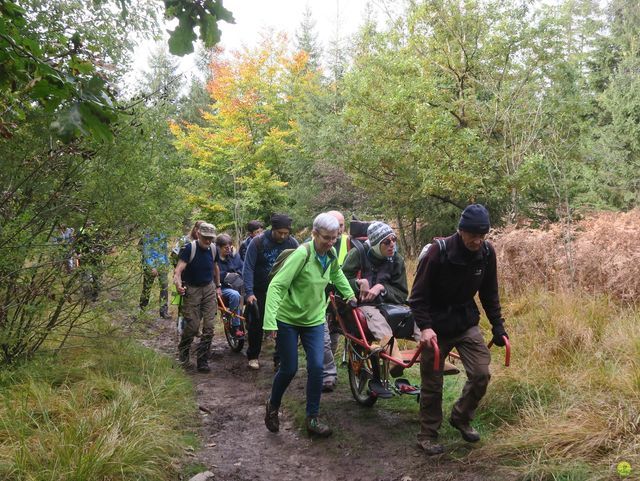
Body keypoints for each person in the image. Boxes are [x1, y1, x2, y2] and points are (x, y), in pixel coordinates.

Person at [409, 204, 509, 455]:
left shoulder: (486, 252)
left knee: (481, 373)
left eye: (482, 235)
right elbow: (417, 297)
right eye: (473, 235)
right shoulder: (437, 253)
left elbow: (489, 293)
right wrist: (425, 327)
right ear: (461, 231)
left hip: (465, 321)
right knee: (432, 383)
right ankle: (427, 434)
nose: (477, 240)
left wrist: (498, 326)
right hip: (435, 324)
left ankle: (461, 417)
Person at [263, 213, 357, 437]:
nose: (331, 242)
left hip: (314, 319)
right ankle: (273, 406)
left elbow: (336, 274)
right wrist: (270, 322)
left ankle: (312, 418)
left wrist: (349, 294)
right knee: (289, 368)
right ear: (314, 234)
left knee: (317, 367)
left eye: (335, 237)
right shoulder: (302, 254)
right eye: (326, 237)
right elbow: (276, 286)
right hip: (288, 319)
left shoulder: (331, 253)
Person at [341, 221, 422, 395]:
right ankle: (394, 359)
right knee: (376, 318)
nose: (392, 244)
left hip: (388, 303)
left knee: (417, 315)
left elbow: (401, 293)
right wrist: (357, 283)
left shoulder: (397, 259)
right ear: (377, 244)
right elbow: (337, 282)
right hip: (363, 305)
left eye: (394, 239)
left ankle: (430, 352)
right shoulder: (358, 255)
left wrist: (381, 288)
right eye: (387, 242)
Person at [242, 213, 298, 370]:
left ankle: (279, 359)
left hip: (282, 291)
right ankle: (253, 356)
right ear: (273, 229)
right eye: (280, 232)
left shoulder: (293, 243)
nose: (283, 236)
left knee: (282, 323)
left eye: (286, 233)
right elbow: (248, 267)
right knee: (256, 323)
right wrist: (249, 292)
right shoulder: (258, 242)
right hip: (260, 290)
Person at [173, 222, 221, 373]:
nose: (208, 241)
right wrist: (178, 286)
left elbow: (215, 267)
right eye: (205, 238)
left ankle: (203, 360)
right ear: (199, 234)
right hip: (192, 289)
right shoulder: (189, 249)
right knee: (193, 326)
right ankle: (184, 351)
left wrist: (218, 286)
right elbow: (178, 271)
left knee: (209, 327)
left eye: (211, 239)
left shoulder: (213, 249)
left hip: (208, 288)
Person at [320, 210, 349, 392]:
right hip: (321, 293)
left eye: (341, 225)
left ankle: (326, 367)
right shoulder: (318, 242)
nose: (339, 229)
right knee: (322, 335)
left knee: (335, 332)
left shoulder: (348, 241)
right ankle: (327, 373)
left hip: (340, 293)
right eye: (335, 225)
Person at [215, 233, 244, 337]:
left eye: (230, 247)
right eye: (225, 248)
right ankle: (235, 326)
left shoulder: (234, 256)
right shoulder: (214, 258)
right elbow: (214, 274)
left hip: (237, 284)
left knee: (251, 292)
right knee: (235, 295)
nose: (228, 250)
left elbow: (242, 268)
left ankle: (249, 320)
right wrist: (227, 276)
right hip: (222, 287)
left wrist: (235, 275)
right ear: (219, 247)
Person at [139, 232, 171, 319]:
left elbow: (164, 249)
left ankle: (163, 312)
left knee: (164, 287)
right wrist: (151, 266)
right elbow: (146, 251)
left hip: (162, 264)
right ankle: (143, 309)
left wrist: (167, 263)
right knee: (147, 287)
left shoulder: (163, 233)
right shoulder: (148, 233)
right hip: (150, 265)